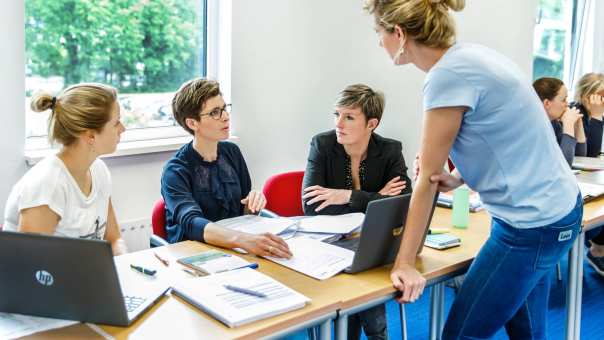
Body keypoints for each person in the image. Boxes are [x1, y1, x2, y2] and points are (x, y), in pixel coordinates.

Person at [364, 0, 582, 338]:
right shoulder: (472, 57)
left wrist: (405, 262)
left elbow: (425, 180)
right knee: (527, 330)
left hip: (530, 225)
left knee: (462, 334)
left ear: (399, 33)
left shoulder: (445, 77)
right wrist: (460, 176)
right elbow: (503, 135)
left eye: (379, 33)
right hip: (557, 211)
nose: (379, 43)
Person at [302, 83, 412, 340]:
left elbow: (402, 202)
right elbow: (311, 206)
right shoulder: (322, 145)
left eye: (349, 117)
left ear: (371, 124)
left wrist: (347, 196)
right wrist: (377, 198)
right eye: (336, 114)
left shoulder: (389, 150)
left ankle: (371, 334)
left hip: (372, 240)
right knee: (361, 281)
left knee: (365, 271)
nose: (338, 123)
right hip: (329, 243)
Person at [161, 78, 291, 259]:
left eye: (224, 108)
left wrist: (253, 201)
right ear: (192, 123)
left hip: (235, 250)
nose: (225, 116)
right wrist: (243, 240)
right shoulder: (175, 171)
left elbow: (244, 213)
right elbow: (191, 223)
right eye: (215, 112)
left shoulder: (232, 152)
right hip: (195, 255)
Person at [3, 83, 127, 255]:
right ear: (90, 135)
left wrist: (122, 267)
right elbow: (32, 269)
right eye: (116, 122)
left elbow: (114, 239)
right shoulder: (47, 185)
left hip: (83, 276)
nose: (123, 129)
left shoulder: (99, 170)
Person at [568, 73, 604, 276]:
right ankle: (597, 248)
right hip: (578, 183)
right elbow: (588, 155)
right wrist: (597, 117)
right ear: (586, 96)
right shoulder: (575, 113)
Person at [532, 77, 586, 166]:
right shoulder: (534, 127)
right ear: (547, 103)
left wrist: (578, 126)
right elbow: (564, 164)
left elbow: (580, 157)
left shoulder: (553, 123)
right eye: (563, 100)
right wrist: (568, 125)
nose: (567, 104)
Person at [570, 73, 604, 157]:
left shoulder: (595, 113)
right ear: (584, 96)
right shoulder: (575, 113)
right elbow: (591, 153)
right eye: (601, 96)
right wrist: (596, 116)